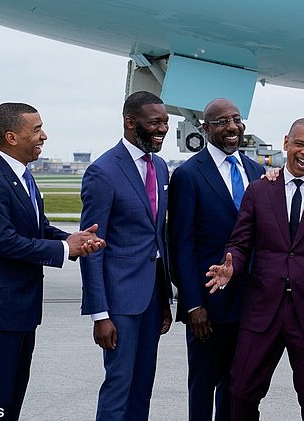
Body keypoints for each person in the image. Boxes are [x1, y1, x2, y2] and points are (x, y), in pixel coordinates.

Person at [0, 102, 105, 421]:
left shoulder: (22, 176)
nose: (44, 136)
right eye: (36, 130)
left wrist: (75, 239)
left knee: (11, 399)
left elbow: (38, 228)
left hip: (20, 309)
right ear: (11, 137)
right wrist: (65, 250)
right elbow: (4, 242)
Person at [207, 118, 304, 420]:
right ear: (286, 143)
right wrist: (231, 267)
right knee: (240, 393)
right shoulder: (259, 190)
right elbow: (239, 244)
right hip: (262, 310)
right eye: (300, 144)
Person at [168, 98, 265, 421]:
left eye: (236, 119)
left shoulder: (256, 171)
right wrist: (193, 305)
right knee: (203, 384)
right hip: (208, 306)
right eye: (222, 122)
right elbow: (181, 245)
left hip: (250, 302)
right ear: (206, 129)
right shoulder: (188, 175)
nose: (232, 127)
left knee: (240, 386)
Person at [79, 91, 173, 421]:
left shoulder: (160, 167)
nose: (162, 129)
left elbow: (156, 238)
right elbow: (91, 248)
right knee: (119, 385)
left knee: (142, 386)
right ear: (130, 123)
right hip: (119, 303)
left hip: (150, 300)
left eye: (165, 122)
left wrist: (164, 299)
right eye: (155, 123)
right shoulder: (103, 171)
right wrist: (99, 314)